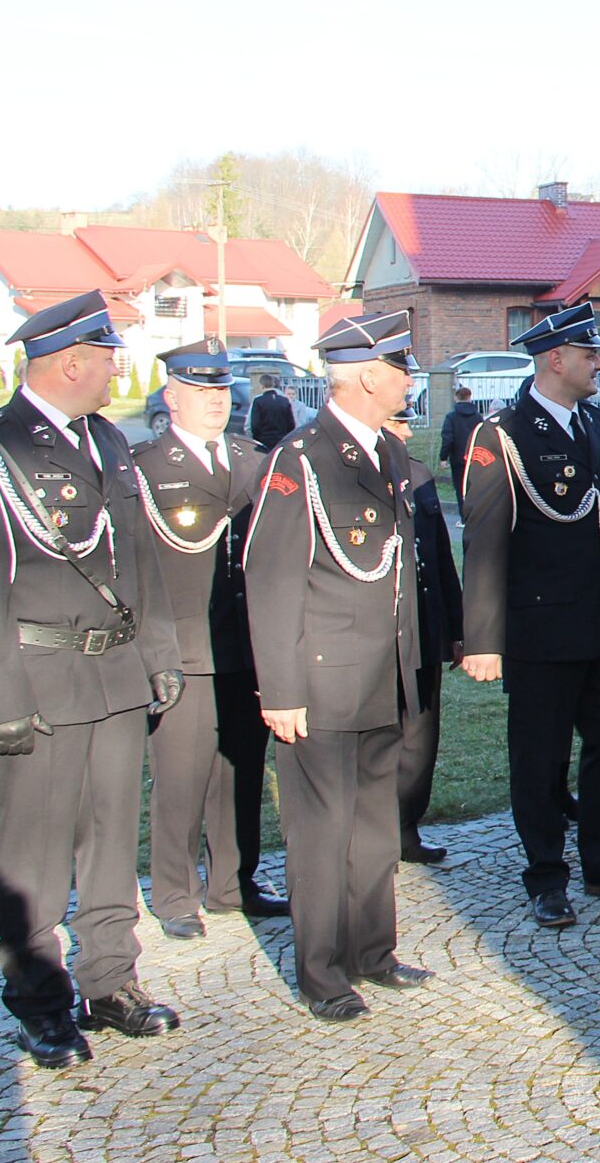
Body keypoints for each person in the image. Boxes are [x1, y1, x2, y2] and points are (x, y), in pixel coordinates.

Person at [0, 291, 185, 1067]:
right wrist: (2, 700)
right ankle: (41, 1003)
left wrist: (160, 653)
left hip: (115, 675)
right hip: (40, 682)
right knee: (35, 854)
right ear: (71, 363)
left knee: (111, 841)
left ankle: (110, 981)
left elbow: (137, 557)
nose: (119, 370)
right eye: (109, 357)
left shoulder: (108, 440)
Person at [244, 309, 432, 1020]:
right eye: (401, 368)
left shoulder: (388, 454)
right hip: (322, 682)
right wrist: (281, 689)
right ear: (367, 377)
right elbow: (271, 577)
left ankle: (371, 951)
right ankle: (322, 972)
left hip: (381, 673)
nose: (410, 380)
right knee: (321, 835)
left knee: (376, 827)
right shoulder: (300, 458)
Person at [459, 305, 600, 921]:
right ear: (556, 359)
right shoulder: (502, 435)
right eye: (589, 354)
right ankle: (546, 875)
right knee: (540, 756)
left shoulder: (597, 424)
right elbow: (485, 542)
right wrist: (483, 638)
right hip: (543, 627)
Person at [132, 339, 287, 938]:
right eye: (200, 391)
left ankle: (233, 882)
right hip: (184, 650)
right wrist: (153, 653)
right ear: (171, 398)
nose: (216, 401)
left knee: (241, 771)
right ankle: (175, 893)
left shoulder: (253, 459)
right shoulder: (146, 466)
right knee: (180, 777)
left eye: (221, 390)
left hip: (247, 647)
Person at [382, 402, 463, 864]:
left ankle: (405, 827)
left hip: (425, 627)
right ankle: (372, 835)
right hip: (377, 633)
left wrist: (456, 628)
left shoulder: (418, 475)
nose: (407, 433)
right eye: (398, 423)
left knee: (420, 738)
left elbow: (440, 557)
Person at [437, 384, 480, 498]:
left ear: (456, 398)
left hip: (457, 458)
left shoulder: (451, 417)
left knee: (460, 490)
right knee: (475, 490)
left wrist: (443, 457)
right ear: (470, 397)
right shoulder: (478, 417)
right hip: (476, 458)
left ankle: (463, 508)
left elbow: (447, 439)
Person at [248, 371, 296, 452]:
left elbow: (255, 425)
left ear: (261, 386)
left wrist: (256, 438)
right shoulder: (284, 400)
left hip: (263, 441)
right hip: (281, 440)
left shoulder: (258, 401)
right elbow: (291, 424)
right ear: (273, 384)